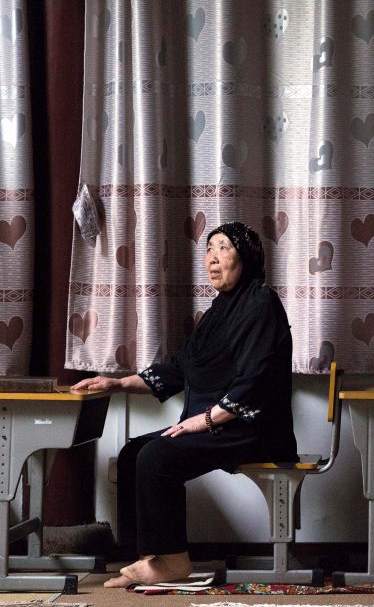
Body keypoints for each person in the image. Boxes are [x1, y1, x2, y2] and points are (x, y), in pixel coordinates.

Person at [72, 222, 296, 588]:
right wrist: (118, 383)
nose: (212, 258)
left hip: (250, 429)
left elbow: (258, 381)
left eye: (223, 248)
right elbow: (180, 367)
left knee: (157, 457)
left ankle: (173, 561)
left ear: (247, 257)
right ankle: (149, 556)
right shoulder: (218, 312)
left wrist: (205, 420)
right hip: (216, 425)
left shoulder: (262, 304)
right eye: (208, 250)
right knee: (133, 453)